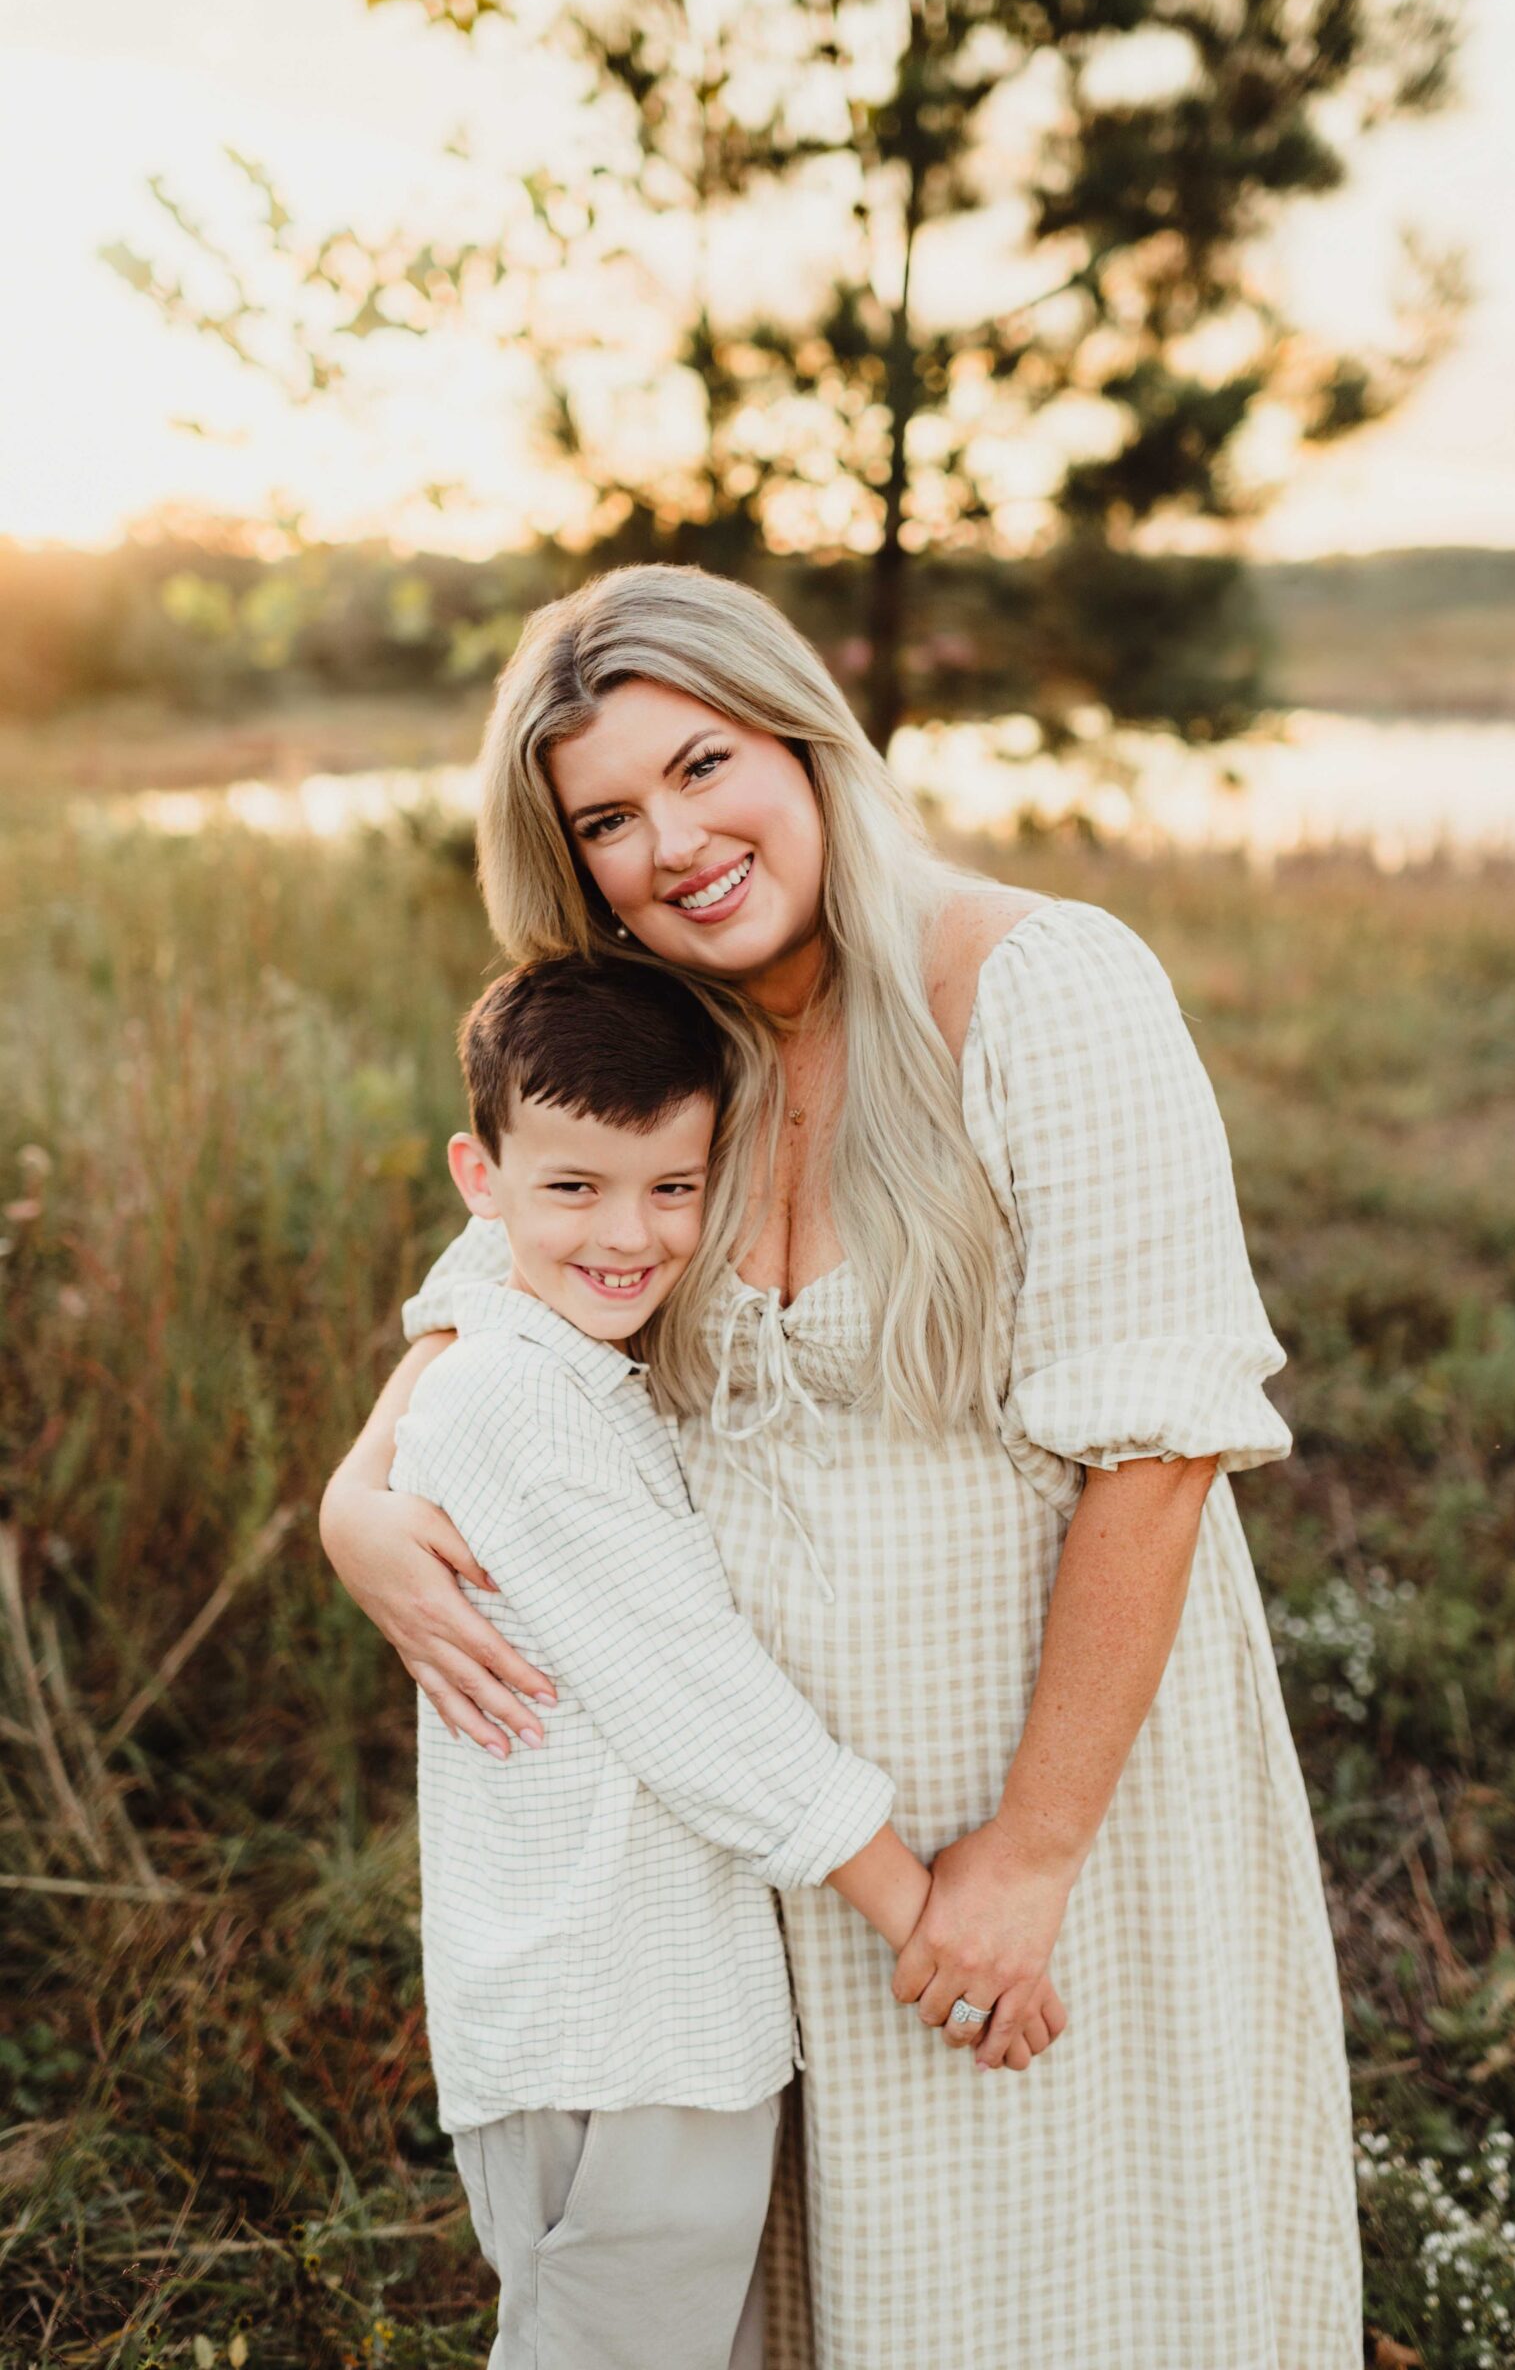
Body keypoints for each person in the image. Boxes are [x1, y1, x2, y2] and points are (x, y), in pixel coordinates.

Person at [323, 564, 1362, 2370]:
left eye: (702, 764)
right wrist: (358, 1495)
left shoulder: (1041, 988)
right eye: (609, 820)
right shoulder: (666, 1044)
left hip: (1052, 1781)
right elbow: (492, 1291)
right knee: (841, 2294)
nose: (675, 844)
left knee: (1079, 2265)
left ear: (804, 738)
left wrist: (1029, 1853)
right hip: (775, 1828)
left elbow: (1162, 1452)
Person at [393, 953, 1067, 2370]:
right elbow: (704, 1708)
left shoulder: (575, 1365)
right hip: (601, 2033)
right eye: (574, 1188)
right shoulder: (513, 1400)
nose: (626, 1235)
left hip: (666, 2018)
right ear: (479, 1178)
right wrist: (933, 1930)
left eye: (672, 1188)